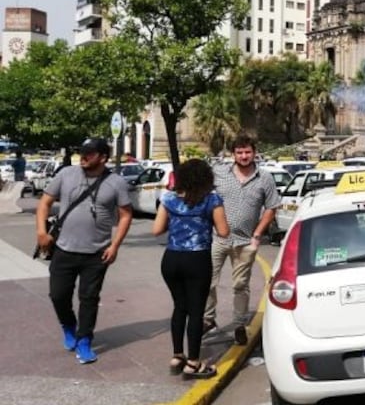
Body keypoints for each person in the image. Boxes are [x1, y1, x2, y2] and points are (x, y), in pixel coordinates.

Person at [35, 137, 133, 364]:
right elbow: (44, 203)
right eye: (82, 151)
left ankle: (84, 340)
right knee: (58, 295)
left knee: (89, 298)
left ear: (103, 157)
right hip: (63, 249)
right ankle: (69, 326)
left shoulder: (116, 182)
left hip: (97, 253)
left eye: (89, 153)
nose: (83, 156)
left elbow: (126, 214)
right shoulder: (66, 174)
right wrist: (41, 232)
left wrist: (115, 245)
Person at [152, 158, 229, 379]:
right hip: (197, 260)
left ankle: (177, 356)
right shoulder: (211, 200)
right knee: (196, 311)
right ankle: (194, 362)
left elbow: (156, 230)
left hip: (171, 259)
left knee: (179, 307)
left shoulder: (169, 199)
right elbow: (223, 232)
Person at [204, 134, 280, 345]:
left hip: (245, 241)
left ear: (254, 153)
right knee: (207, 281)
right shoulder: (219, 173)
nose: (244, 156)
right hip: (218, 239)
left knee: (241, 285)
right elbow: (202, 194)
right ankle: (208, 319)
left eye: (247, 152)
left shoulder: (264, 178)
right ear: (233, 154)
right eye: (239, 152)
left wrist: (257, 235)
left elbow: (272, 207)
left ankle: (239, 325)